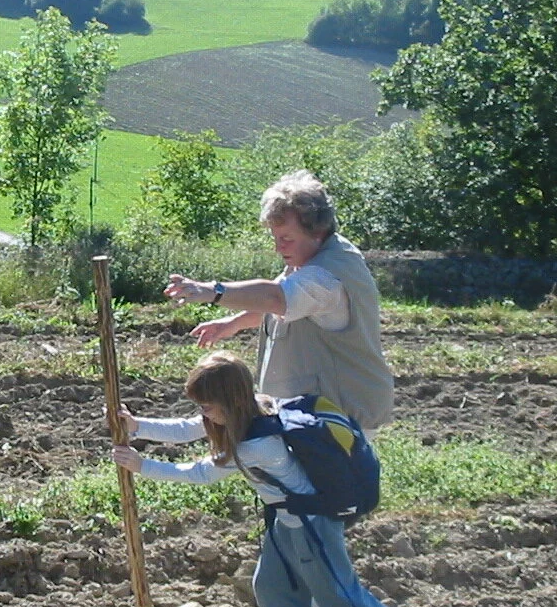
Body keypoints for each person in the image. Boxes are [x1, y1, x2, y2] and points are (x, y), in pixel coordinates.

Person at [111, 351, 442, 607]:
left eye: (207, 406)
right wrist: (137, 426)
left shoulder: (258, 444)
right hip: (287, 521)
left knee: (339, 598)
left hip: (312, 524)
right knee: (269, 586)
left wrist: (142, 466)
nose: (203, 414)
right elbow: (188, 428)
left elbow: (199, 473)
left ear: (229, 401)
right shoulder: (252, 407)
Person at [164, 171, 394, 432]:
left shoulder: (326, 277)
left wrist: (212, 291)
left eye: (286, 238)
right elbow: (275, 305)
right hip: (314, 417)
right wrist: (234, 323)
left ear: (317, 231)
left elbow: (276, 297)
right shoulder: (308, 258)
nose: (278, 247)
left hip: (339, 419)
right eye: (275, 238)